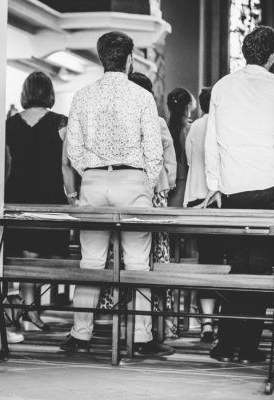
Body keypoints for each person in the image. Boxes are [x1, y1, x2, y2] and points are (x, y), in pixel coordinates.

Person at [62, 31, 172, 356]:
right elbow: (154, 152)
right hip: (132, 179)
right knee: (138, 264)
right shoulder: (142, 97)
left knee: (91, 262)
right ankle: (141, 338)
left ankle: (80, 335)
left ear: (101, 58)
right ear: (129, 59)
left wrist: (92, 175)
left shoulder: (82, 96)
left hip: (94, 181)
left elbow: (74, 150)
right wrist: (143, 182)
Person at [204, 26, 274, 363]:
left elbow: (211, 143)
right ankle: (248, 348)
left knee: (235, 264)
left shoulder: (222, 86)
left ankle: (224, 344)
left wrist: (214, 185)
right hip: (268, 188)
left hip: (231, 189)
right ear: (273, 56)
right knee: (260, 267)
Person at [5, 71, 78, 332]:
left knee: (26, 256)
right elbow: (66, 166)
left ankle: (28, 310)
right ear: (49, 93)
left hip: (17, 195)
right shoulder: (61, 123)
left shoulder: (10, 124)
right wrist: (72, 198)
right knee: (45, 258)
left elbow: (6, 164)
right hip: (49, 196)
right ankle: (31, 312)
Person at [129, 72, 178, 339]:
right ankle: (148, 328)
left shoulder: (121, 118)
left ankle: (126, 323)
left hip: (127, 193)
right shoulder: (156, 120)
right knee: (150, 262)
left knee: (126, 261)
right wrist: (164, 189)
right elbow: (168, 164)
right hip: (153, 196)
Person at [184, 87, 222, 343]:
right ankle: (222, 319)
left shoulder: (195, 126)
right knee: (224, 262)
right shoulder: (223, 125)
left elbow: (188, 160)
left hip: (196, 196)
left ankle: (206, 321)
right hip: (218, 199)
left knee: (205, 261)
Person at [167, 87, 195, 208]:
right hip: (186, 183)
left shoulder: (163, 127)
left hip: (165, 184)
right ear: (188, 106)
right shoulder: (192, 129)